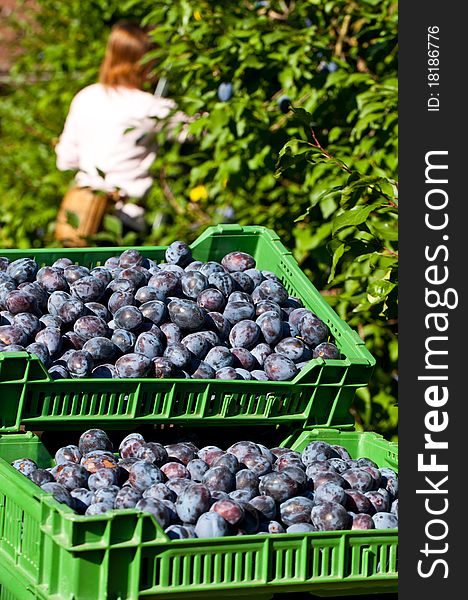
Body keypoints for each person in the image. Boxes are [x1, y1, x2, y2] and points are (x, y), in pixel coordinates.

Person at [54, 21, 191, 246]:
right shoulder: (150, 107)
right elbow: (197, 131)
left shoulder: (86, 97)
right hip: (124, 221)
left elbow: (65, 160)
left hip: (80, 215)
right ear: (144, 63)